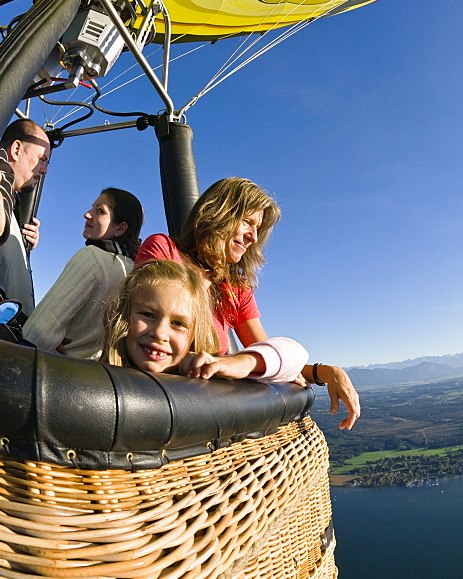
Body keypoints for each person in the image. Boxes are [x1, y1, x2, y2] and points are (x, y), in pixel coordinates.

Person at [136, 177, 361, 429]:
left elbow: (266, 354)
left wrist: (328, 373)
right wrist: (217, 363)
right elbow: (146, 331)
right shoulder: (165, 250)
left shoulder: (234, 287)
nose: (253, 237)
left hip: (211, 410)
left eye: (258, 229)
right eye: (248, 222)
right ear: (218, 212)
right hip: (168, 404)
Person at [103, 258, 308, 382]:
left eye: (178, 323)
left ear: (194, 333)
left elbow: (295, 353)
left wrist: (234, 363)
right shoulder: (100, 376)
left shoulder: (197, 370)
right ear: (124, 316)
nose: (159, 333)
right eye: (148, 315)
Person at [24, 188, 144, 359]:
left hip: (62, 371)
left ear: (120, 228)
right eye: (92, 208)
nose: (87, 214)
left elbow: (38, 331)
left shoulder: (92, 257)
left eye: (100, 211)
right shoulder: (133, 271)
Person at [0, 119, 50, 313]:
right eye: (42, 159)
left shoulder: (11, 204)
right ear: (17, 149)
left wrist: (18, 243)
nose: (44, 169)